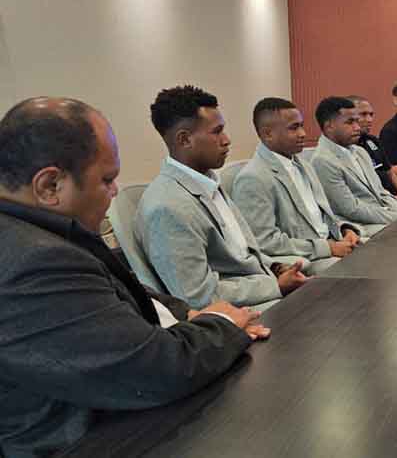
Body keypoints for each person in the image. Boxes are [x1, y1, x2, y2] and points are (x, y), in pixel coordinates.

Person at [0, 97, 267, 457]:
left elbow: (117, 288)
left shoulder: (39, 234)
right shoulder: (31, 262)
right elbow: (157, 370)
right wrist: (224, 323)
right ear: (50, 185)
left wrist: (187, 313)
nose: (116, 192)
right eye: (107, 180)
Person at [138, 85, 308, 311]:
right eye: (217, 132)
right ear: (184, 139)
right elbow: (198, 296)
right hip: (236, 312)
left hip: (259, 288)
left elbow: (242, 255)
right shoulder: (167, 207)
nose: (227, 140)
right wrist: (274, 285)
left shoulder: (206, 181)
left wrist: (277, 267)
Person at [231, 98, 360, 273]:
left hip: (333, 243)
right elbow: (265, 241)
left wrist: (345, 230)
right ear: (268, 134)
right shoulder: (253, 178)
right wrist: (327, 248)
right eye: (294, 128)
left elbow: (322, 215)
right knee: (362, 269)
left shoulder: (304, 165)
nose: (303, 133)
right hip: (308, 258)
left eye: (301, 126)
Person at [312, 96, 397, 226]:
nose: (357, 127)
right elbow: (351, 209)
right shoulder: (322, 161)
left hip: (384, 215)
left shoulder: (360, 151)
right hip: (360, 226)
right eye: (350, 122)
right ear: (329, 126)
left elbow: (380, 192)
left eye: (357, 121)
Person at [348, 95, 397, 207]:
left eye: (371, 114)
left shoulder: (373, 140)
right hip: (379, 203)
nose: (369, 119)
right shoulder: (348, 149)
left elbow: (390, 172)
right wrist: (394, 200)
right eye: (363, 114)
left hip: (395, 197)